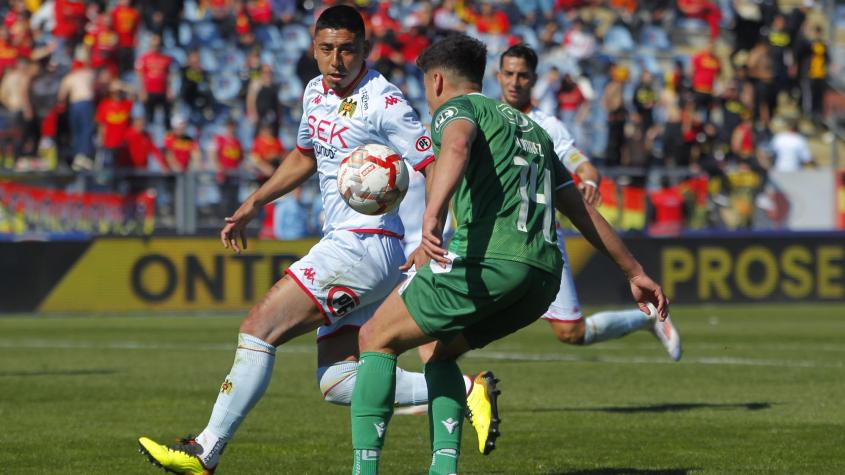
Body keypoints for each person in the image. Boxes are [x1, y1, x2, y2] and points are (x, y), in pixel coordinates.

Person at [137, 7, 493, 474]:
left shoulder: (384, 100)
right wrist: (253, 203)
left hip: (364, 243)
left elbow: (434, 163)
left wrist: (434, 231)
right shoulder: (314, 93)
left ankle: (206, 450)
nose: (336, 60)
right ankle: (465, 390)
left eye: (347, 49)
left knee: (258, 327)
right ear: (313, 48)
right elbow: (305, 156)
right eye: (326, 49)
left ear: (365, 48)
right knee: (339, 379)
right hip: (353, 244)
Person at [349, 33, 669, 474]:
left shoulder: (456, 111)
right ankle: (443, 469)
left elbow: (457, 145)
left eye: (426, 84)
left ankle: (362, 470)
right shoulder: (533, 130)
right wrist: (634, 271)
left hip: (490, 261)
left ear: (437, 81)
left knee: (373, 339)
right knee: (439, 352)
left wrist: (431, 220)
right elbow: (576, 206)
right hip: (541, 280)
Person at [497, 44, 680, 357]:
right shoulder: (487, 117)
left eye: (523, 76)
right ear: (498, 75)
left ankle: (645, 318)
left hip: (541, 235)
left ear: (534, 79)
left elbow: (581, 163)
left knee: (571, 332)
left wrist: (591, 179)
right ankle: (438, 389)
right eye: (509, 74)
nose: (515, 82)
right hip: (497, 233)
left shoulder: (548, 126)